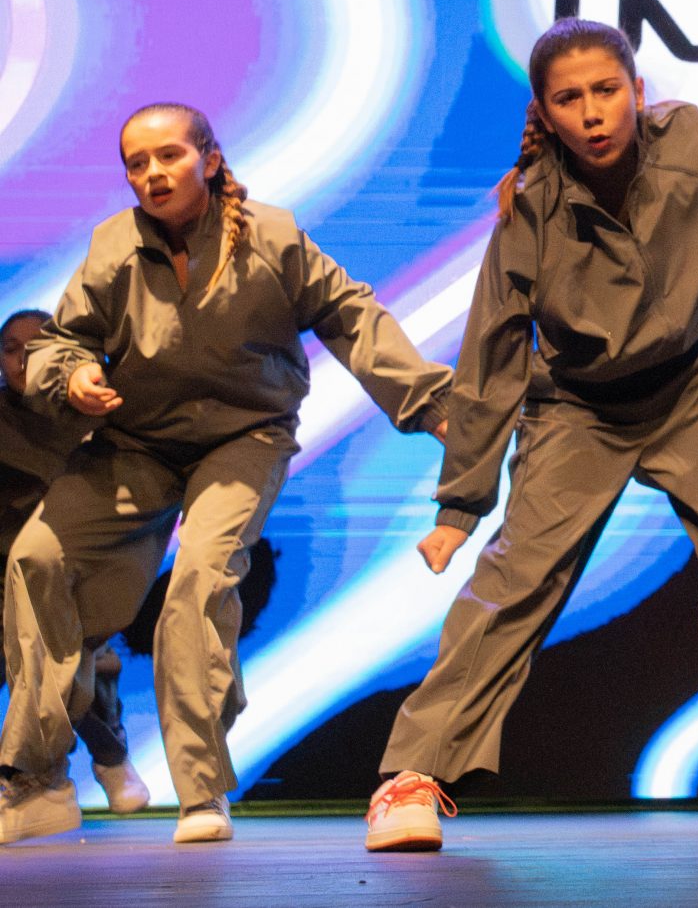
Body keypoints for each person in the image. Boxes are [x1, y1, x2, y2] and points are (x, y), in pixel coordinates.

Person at [366, 19, 698, 854]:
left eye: (607, 90)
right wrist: (461, 505)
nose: (594, 112)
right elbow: (492, 355)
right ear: (545, 112)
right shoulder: (531, 204)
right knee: (515, 581)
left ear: (638, 92)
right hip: (578, 406)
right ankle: (413, 775)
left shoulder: (697, 143)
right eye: (570, 99)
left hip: (695, 385)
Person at [0, 106, 452, 848]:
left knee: (198, 583)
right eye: (138, 163)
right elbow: (61, 339)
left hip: (244, 437)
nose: (154, 173)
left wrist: (430, 403)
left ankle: (201, 788)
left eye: (169, 156)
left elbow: (351, 314)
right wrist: (73, 375)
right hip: (139, 440)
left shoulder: (271, 237)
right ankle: (38, 776)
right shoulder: (116, 245)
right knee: (37, 556)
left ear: (209, 159)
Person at [0, 310, 145, 816]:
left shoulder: (98, 417)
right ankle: (48, 774)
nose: (23, 360)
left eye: (37, 348)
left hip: (79, 566)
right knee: (30, 655)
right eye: (11, 349)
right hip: (5, 567)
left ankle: (108, 758)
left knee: (74, 656)